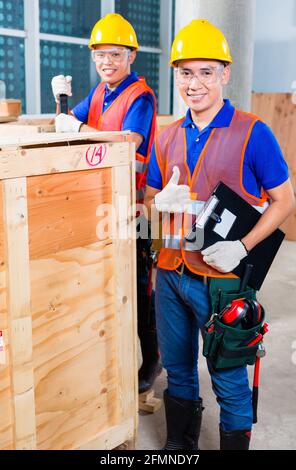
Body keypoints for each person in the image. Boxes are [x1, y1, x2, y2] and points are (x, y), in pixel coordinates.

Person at [144, 19, 295, 450]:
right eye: (186, 72)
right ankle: (180, 448)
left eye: (206, 72)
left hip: (222, 282)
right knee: (179, 370)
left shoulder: (253, 133)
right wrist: (159, 203)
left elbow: (285, 202)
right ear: (176, 76)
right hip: (171, 276)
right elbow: (153, 197)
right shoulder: (167, 134)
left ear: (224, 74)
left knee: (228, 377)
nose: (195, 84)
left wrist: (243, 246)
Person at [51, 13, 162, 394]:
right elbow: (68, 123)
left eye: (115, 55)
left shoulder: (140, 97)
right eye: (100, 56)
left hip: (133, 207)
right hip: (100, 200)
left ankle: (151, 361)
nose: (107, 63)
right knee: (109, 284)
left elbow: (128, 142)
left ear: (131, 55)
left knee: (139, 285)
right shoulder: (100, 92)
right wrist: (61, 104)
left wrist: (77, 127)